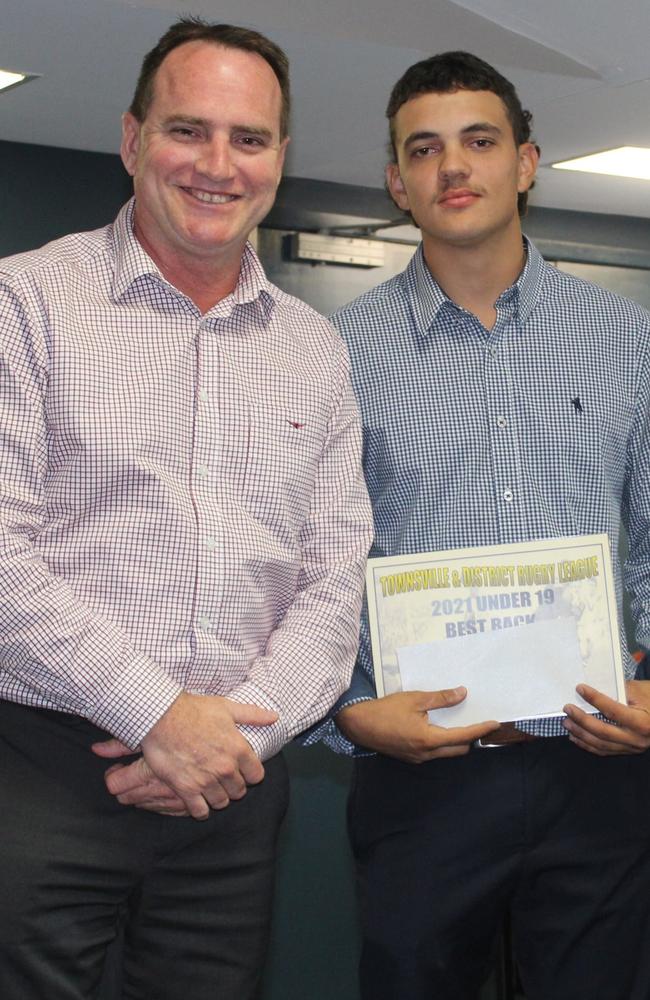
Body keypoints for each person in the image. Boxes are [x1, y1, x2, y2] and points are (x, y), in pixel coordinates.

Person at [0, 17, 372, 1000]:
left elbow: (332, 584)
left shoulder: (313, 349)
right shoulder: (25, 303)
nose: (216, 164)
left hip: (234, 794)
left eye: (247, 139)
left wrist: (224, 743)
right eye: (186, 130)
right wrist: (157, 712)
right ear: (131, 140)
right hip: (40, 772)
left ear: (279, 160)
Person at [311, 51, 650, 1000]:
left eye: (480, 141)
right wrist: (345, 708)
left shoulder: (625, 339)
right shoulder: (332, 356)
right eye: (424, 150)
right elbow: (311, 568)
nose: (453, 166)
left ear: (527, 162)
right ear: (397, 184)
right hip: (422, 777)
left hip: (601, 768)